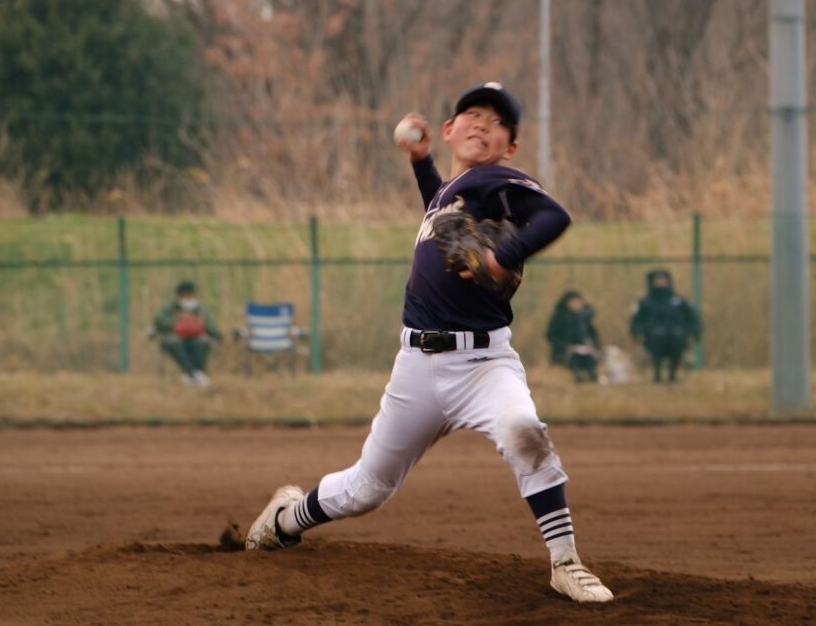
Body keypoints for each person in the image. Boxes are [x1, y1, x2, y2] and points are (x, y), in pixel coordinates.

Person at [243, 82, 613, 603]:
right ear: (448, 130)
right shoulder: (455, 192)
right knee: (367, 488)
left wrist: (503, 257)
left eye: (497, 121)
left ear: (511, 146)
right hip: (417, 365)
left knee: (524, 430)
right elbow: (439, 205)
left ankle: (566, 561)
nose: (482, 123)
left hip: (485, 363)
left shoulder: (498, 179)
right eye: (471, 114)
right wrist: (422, 164)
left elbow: (555, 216)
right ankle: (286, 518)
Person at [630, 269, 701, 383]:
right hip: (653, 336)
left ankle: (673, 373)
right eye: (657, 280)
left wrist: (694, 331)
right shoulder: (646, 303)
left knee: (677, 336)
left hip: (676, 335)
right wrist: (638, 331)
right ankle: (657, 373)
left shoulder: (679, 301)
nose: (660, 282)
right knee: (658, 335)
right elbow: (636, 321)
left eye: (663, 280)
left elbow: (692, 318)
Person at [153, 280, 222, 386]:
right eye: (186, 296)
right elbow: (159, 322)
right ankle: (193, 374)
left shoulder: (201, 309)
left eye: (191, 296)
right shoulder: (168, 308)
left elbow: (211, 326)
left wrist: (210, 329)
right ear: (179, 297)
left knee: (203, 341)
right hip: (175, 337)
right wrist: (177, 319)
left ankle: (193, 375)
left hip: (195, 338)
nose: (189, 299)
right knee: (174, 341)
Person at [546, 290, 601, 382]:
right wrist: (564, 346)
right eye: (574, 302)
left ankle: (593, 374)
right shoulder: (559, 317)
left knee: (589, 358)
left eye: (579, 302)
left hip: (585, 349)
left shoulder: (585, 318)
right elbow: (551, 335)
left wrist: (594, 346)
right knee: (574, 358)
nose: (577, 304)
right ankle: (578, 375)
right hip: (565, 350)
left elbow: (593, 334)